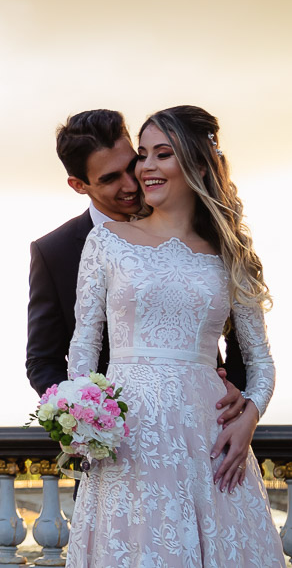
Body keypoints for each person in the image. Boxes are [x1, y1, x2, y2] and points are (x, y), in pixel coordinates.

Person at [65, 105, 284, 566]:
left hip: (209, 438)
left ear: (199, 164)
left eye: (162, 154)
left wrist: (250, 416)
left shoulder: (230, 253)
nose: (145, 167)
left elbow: (260, 361)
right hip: (128, 438)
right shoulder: (106, 243)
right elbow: (83, 347)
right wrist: (86, 422)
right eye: (142, 154)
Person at [26, 109, 248, 419]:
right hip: (122, 436)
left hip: (206, 418)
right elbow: (43, 360)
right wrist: (85, 418)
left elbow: (242, 338)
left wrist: (240, 404)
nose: (132, 184)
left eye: (133, 165)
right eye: (110, 178)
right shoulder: (54, 252)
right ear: (79, 185)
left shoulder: (201, 229)